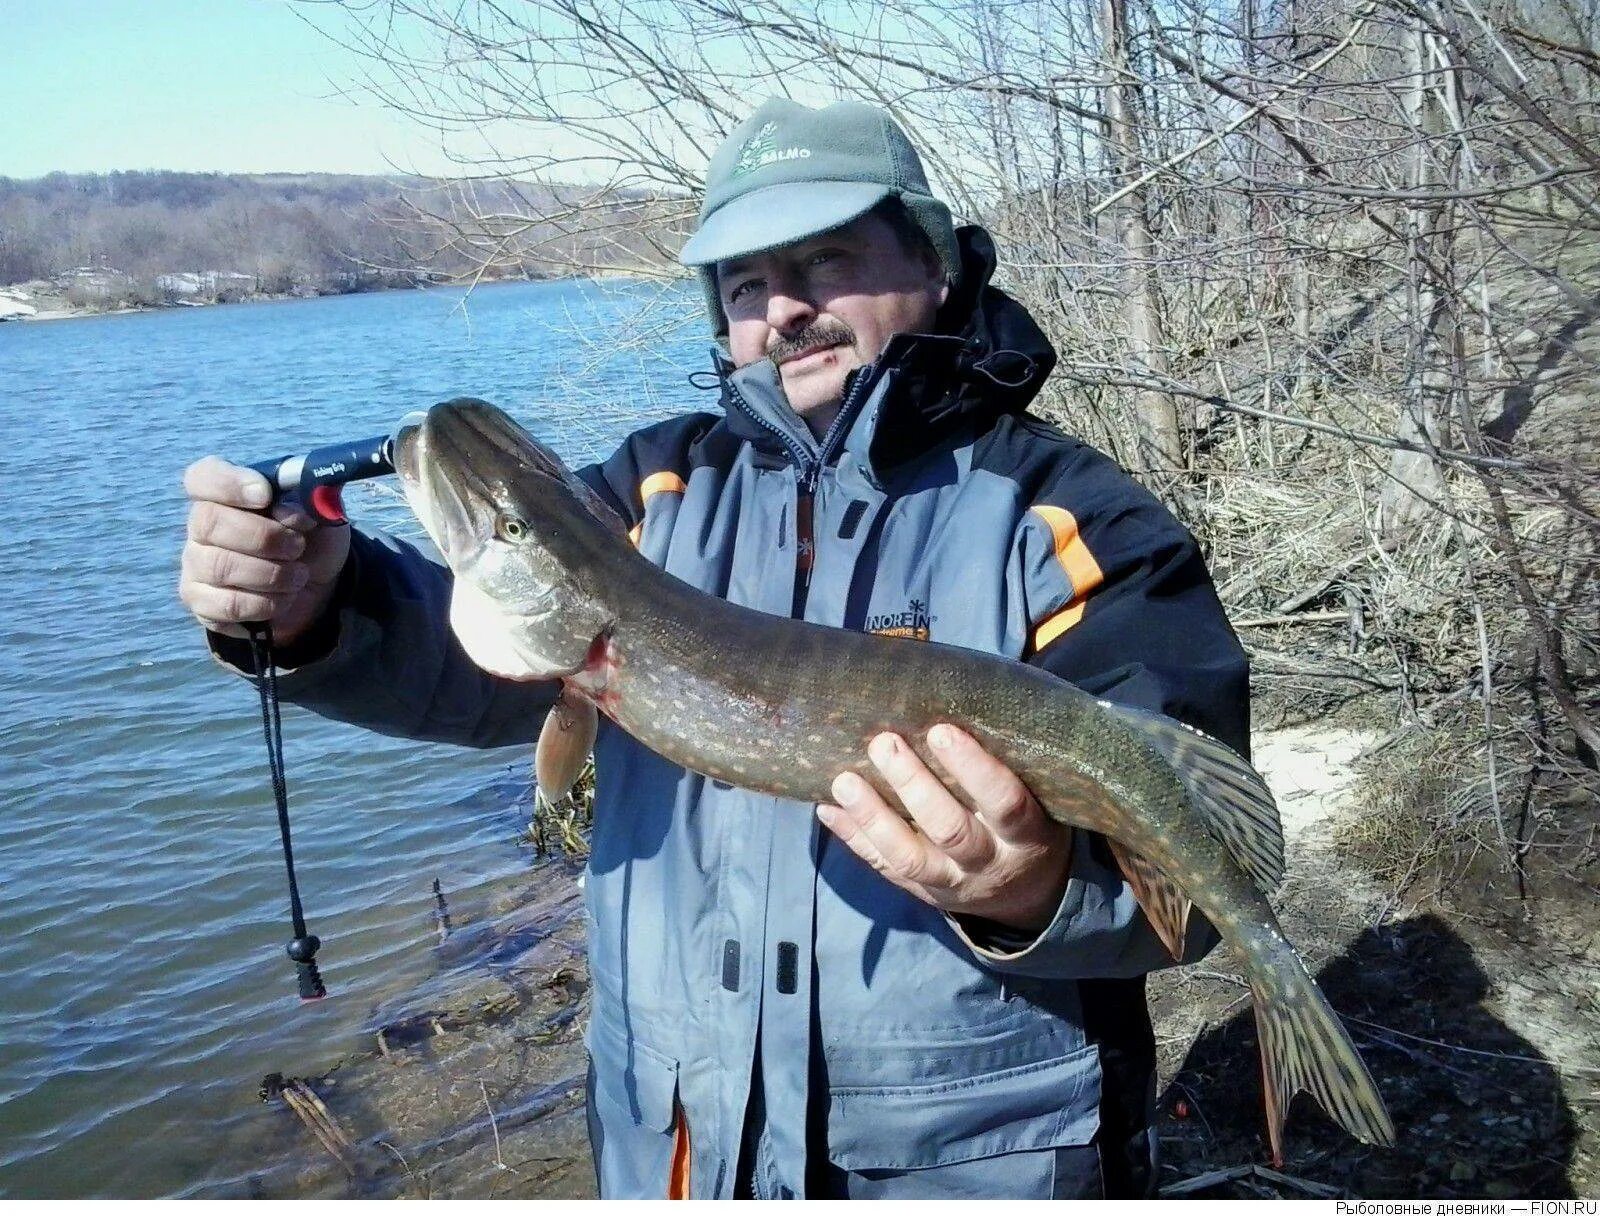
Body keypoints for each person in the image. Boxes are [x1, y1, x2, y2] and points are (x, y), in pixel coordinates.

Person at [180, 98, 1250, 1199]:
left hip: (970, 1154)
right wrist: (317, 607)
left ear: (935, 265)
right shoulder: (649, 492)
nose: (783, 308)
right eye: (744, 285)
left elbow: (1197, 875)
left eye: (825, 261)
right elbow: (492, 661)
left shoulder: (1077, 524)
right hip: (682, 1142)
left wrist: (1028, 889)